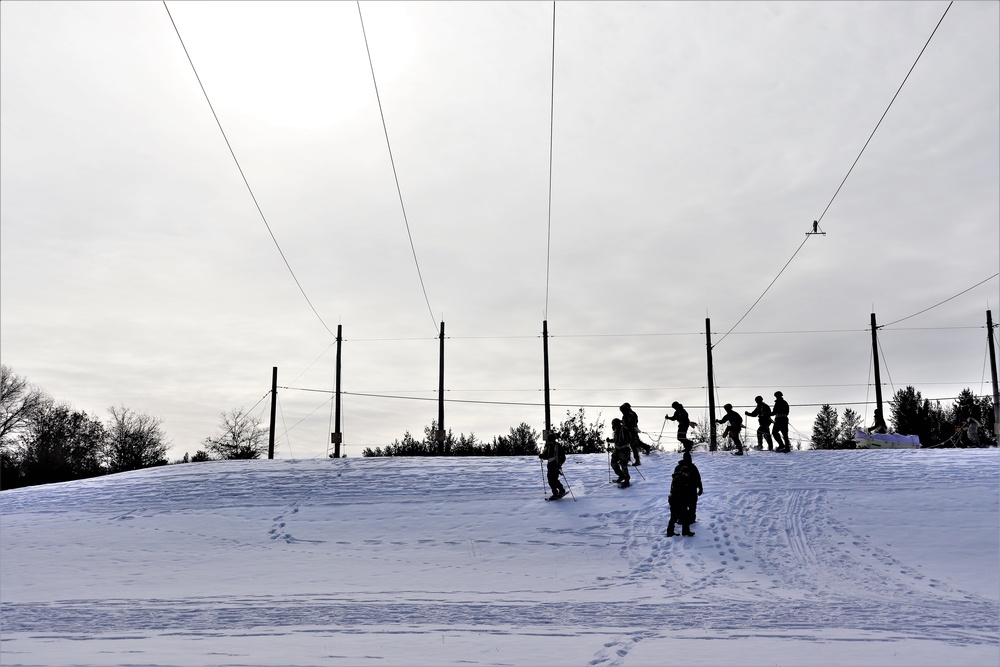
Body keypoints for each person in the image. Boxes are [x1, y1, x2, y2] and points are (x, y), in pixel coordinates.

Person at [666, 463, 697, 537]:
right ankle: (670, 532)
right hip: (676, 501)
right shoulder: (678, 479)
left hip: (678, 500)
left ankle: (684, 531)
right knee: (674, 517)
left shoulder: (681, 478)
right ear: (683, 472)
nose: (687, 475)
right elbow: (680, 492)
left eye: (687, 473)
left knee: (684, 516)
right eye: (686, 473)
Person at [673, 451, 703, 522]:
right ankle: (687, 520)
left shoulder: (679, 467)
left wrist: (700, 487)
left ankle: (685, 519)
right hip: (686, 490)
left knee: (686, 505)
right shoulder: (691, 467)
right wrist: (700, 487)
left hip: (687, 490)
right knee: (689, 505)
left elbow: (698, 478)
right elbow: (698, 478)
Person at [539, 433, 567, 500]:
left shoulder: (557, 446)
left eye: (549, 440)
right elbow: (546, 456)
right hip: (550, 465)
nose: (548, 441)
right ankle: (560, 491)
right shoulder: (548, 447)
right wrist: (542, 456)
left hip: (555, 465)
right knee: (550, 479)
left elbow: (563, 457)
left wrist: (559, 464)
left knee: (553, 479)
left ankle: (557, 493)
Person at [608, 418, 631, 487]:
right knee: (613, 463)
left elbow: (629, 439)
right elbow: (616, 440)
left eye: (615, 424)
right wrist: (610, 440)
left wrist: (622, 443)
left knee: (623, 464)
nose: (614, 426)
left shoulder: (624, 430)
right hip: (617, 450)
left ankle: (627, 480)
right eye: (613, 425)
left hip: (624, 449)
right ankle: (621, 476)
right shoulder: (616, 431)